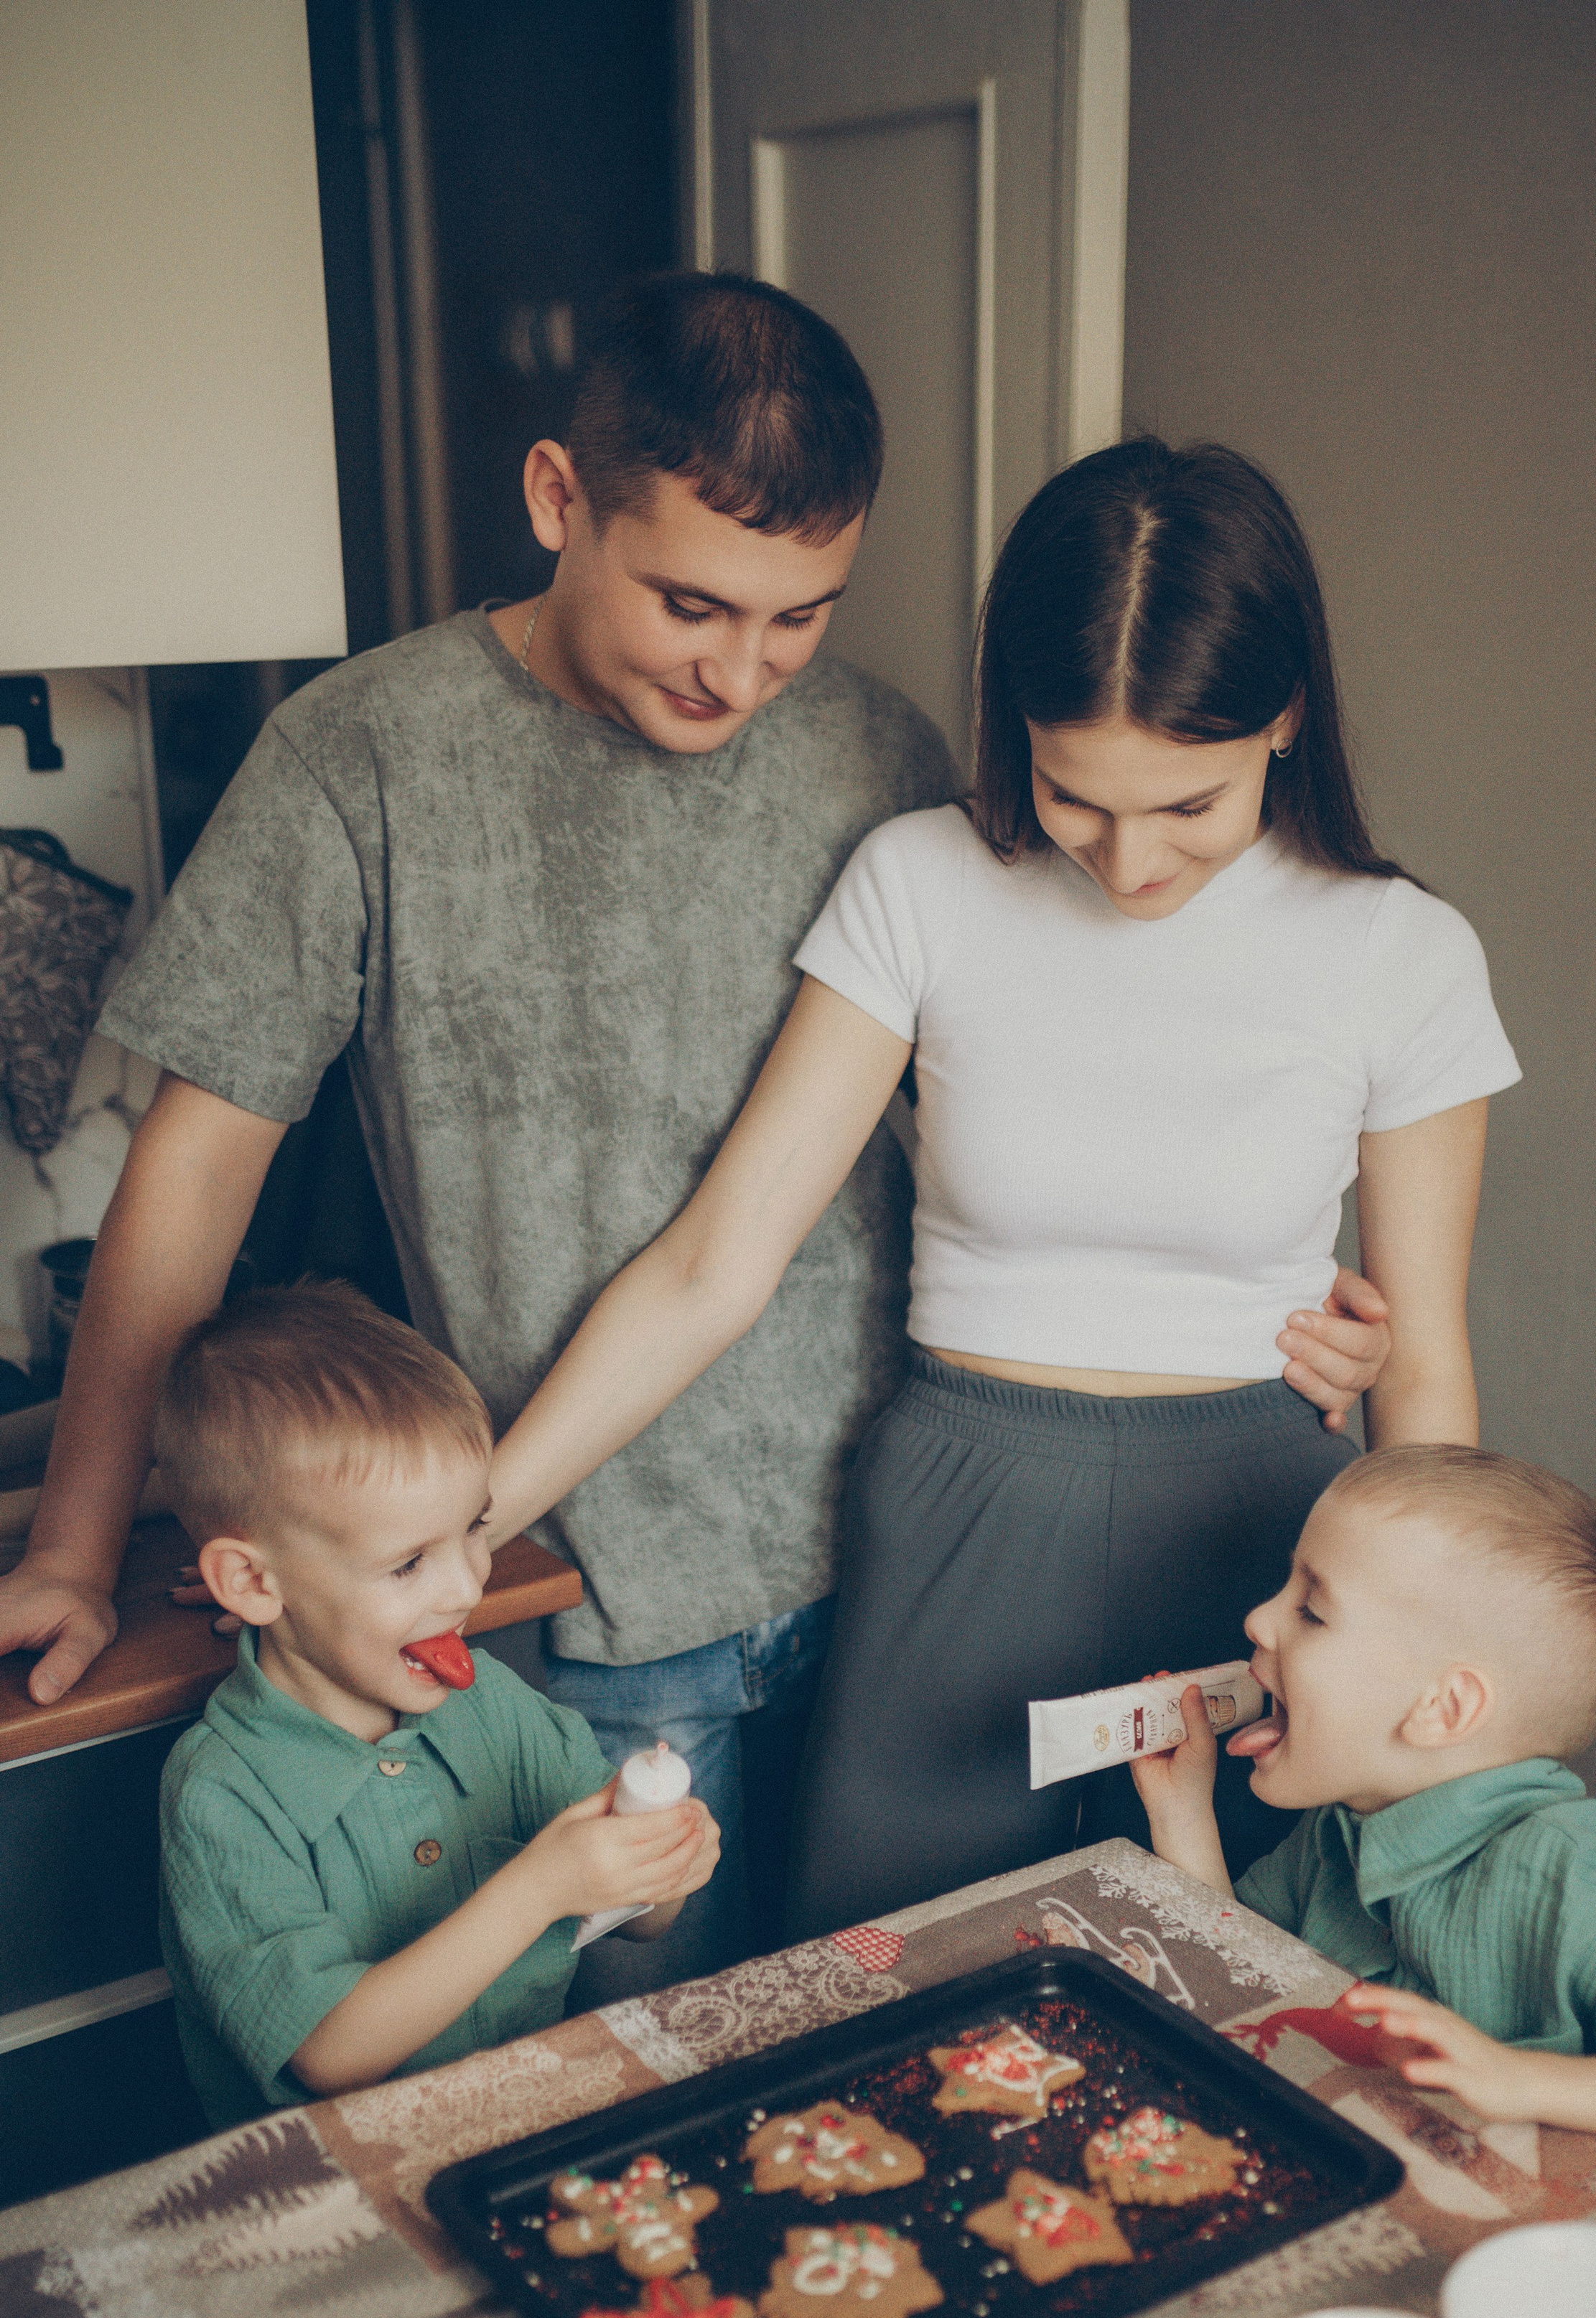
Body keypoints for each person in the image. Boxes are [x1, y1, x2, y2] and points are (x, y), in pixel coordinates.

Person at [0, 271, 969, 1996]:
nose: (742, 669)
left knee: (872, 2058)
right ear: (555, 501)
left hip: (893, 1550)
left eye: (799, 614)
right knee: (609, 2100)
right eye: (690, 599)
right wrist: (78, 1542)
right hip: (565, 1589)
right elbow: (194, 1168)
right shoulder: (355, 754)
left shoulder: (882, 750)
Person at [485, 438, 1500, 1935]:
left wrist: (1446, 1710)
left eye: (1187, 807)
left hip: (1263, 1534)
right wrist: (474, 1516)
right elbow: (717, 1259)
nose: (1128, 863)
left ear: (1282, 716)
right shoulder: (921, 881)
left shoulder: (1401, 952)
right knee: (891, 1984)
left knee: (1233, 1999)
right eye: (1077, 796)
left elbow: (1422, 1369)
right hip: (961, 1501)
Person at [1134, 1445, 1596, 2192]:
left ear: (1442, 1709)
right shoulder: (1341, 1827)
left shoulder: (1563, 1867)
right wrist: (1182, 1809)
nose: (1258, 1618)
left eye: (1311, 1610)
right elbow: (1233, 1976)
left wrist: (1516, 2078)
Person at [152, 1284, 719, 2131]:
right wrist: (539, 1888)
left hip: (521, 2121)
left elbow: (636, 1923)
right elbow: (329, 2054)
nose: (466, 1586)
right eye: (409, 1562)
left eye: (474, 1529)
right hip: (329, 2183)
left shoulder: (494, 1706)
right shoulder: (219, 1793)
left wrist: (658, 1863)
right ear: (254, 1583)